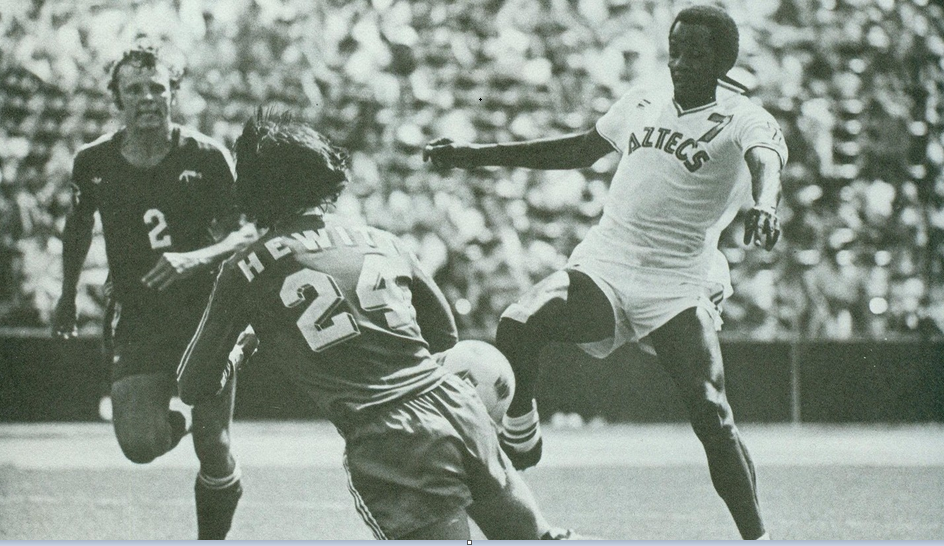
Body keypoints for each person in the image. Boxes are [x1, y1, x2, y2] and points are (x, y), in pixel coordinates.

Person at [423, 5, 786, 540]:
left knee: (712, 413)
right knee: (519, 323)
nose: (681, 61)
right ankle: (522, 432)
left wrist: (766, 204)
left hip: (677, 282)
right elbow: (578, 149)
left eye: (697, 52)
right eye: (676, 48)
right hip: (607, 261)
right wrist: (476, 155)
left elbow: (766, 161)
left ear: (723, 60)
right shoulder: (644, 97)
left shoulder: (743, 115)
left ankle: (758, 538)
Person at [176, 109, 585, 540]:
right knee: (537, 537)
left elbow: (193, 385)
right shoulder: (384, 240)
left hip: (387, 436)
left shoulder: (246, 268)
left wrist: (242, 350)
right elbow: (444, 335)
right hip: (455, 406)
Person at [51, 39, 257, 540]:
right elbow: (78, 228)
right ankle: (175, 422)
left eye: (157, 87)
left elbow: (248, 231)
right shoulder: (93, 161)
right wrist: (67, 295)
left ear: (173, 93)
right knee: (140, 445)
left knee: (214, 444)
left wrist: (197, 257)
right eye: (134, 88)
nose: (147, 97)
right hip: (138, 314)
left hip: (205, 313)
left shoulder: (206, 156)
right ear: (117, 98)